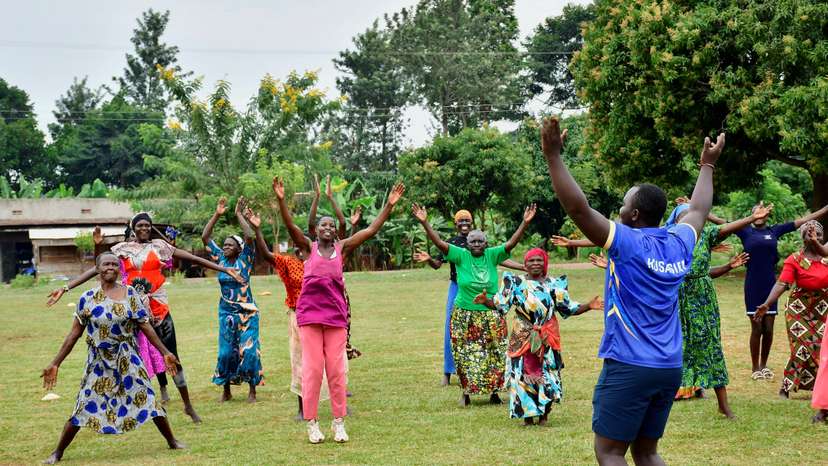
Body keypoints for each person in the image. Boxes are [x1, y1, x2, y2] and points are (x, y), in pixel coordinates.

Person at [542, 116, 724, 465]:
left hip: (629, 365)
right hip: (669, 366)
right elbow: (699, 209)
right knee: (646, 452)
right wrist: (707, 165)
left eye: (624, 205)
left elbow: (578, 209)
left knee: (609, 452)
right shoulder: (679, 242)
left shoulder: (625, 242)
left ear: (634, 214)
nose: (619, 209)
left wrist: (553, 156)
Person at [46, 212, 244, 423]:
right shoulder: (121, 249)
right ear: (133, 227)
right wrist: (66, 288)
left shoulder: (160, 246)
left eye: (147, 225)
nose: (144, 228)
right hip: (130, 311)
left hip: (159, 310)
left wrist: (224, 269)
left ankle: (188, 406)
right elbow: (97, 268)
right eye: (140, 225)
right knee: (131, 360)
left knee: (172, 356)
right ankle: (127, 407)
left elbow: (192, 258)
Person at [274, 176, 405, 444]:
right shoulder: (306, 248)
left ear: (335, 231)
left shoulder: (341, 249)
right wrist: (281, 200)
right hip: (309, 318)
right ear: (316, 230)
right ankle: (312, 424)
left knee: (337, 371)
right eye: (323, 225)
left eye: (332, 225)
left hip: (335, 319)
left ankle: (338, 423)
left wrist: (388, 206)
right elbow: (289, 225)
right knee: (312, 370)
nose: (328, 227)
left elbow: (369, 232)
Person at [41, 253, 185, 464]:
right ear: (97, 269)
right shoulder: (87, 298)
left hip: (128, 358)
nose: (111, 267)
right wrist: (55, 362)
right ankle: (58, 452)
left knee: (149, 398)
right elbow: (74, 334)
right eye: (106, 264)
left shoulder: (131, 294)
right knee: (83, 405)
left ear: (119, 269)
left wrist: (165, 352)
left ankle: (172, 440)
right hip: (98, 361)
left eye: (115, 264)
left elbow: (145, 326)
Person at [413, 201, 535, 406]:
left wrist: (524, 223)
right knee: (464, 352)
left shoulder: (492, 254)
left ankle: (494, 392)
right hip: (464, 313)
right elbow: (440, 244)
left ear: (486, 243)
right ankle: (466, 393)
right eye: (473, 242)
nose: (477, 244)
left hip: (491, 312)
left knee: (495, 352)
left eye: (480, 241)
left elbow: (511, 244)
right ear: (467, 244)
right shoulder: (460, 255)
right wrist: (425, 223)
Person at [473, 247, 602, 425]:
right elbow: (500, 304)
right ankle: (527, 416)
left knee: (548, 374)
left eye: (539, 260)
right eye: (531, 261)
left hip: (547, 335)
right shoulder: (515, 283)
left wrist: (589, 305)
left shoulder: (554, 284)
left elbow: (568, 307)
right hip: (522, 334)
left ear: (545, 264)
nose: (535, 264)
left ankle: (544, 414)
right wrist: (486, 301)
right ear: (525, 264)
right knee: (522, 374)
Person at [242, 204, 330, 421]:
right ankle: (302, 408)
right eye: (297, 245)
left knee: (326, 360)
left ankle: (334, 403)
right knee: (299, 360)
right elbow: (265, 254)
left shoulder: (320, 259)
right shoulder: (289, 263)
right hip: (297, 316)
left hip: (321, 315)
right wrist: (258, 230)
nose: (300, 248)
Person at [734, 201, 828, 380]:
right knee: (757, 327)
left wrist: (824, 209)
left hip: (772, 284)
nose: (760, 214)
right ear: (753, 215)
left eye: (763, 211)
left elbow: (802, 221)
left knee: (768, 328)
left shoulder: (774, 231)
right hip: (753, 284)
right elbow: (721, 223)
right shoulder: (745, 231)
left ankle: (764, 366)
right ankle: (755, 368)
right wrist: (695, 208)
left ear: (767, 215)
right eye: (756, 211)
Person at [754, 220, 828, 399]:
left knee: (819, 348)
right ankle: (785, 387)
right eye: (810, 235)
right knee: (802, 346)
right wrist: (767, 304)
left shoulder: (827, 259)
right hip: (798, 309)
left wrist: (817, 244)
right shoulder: (795, 259)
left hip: (822, 309)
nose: (814, 237)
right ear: (803, 239)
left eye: (818, 234)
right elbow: (782, 283)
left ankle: (814, 387)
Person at [202, 197, 262, 403]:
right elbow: (205, 236)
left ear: (239, 248)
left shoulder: (245, 259)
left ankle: (252, 390)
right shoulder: (221, 260)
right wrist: (217, 214)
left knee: (249, 352)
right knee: (227, 353)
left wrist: (238, 214)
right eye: (224, 245)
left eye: (230, 245)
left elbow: (249, 235)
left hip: (247, 312)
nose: (225, 247)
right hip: (226, 313)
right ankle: (226, 389)